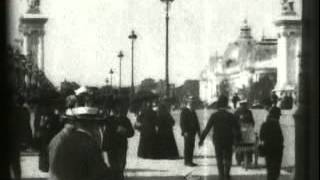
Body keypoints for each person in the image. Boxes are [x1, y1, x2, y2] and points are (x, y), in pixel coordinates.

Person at [48, 106, 111, 180]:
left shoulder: (65, 141)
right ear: (92, 124)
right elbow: (99, 173)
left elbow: (56, 169)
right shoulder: (90, 144)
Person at [199, 95, 241, 180]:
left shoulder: (214, 115)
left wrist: (201, 139)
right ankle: (227, 175)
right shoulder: (231, 116)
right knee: (228, 158)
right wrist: (238, 140)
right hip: (229, 140)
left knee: (219, 159)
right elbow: (237, 129)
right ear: (226, 104)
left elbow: (207, 128)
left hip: (218, 141)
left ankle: (221, 176)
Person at [104, 97, 134, 180]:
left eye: (119, 106)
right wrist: (105, 147)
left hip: (121, 147)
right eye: (115, 107)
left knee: (121, 167)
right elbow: (106, 134)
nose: (117, 109)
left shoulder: (125, 120)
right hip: (111, 147)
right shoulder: (108, 120)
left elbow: (131, 133)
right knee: (113, 167)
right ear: (113, 108)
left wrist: (125, 131)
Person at [260, 99, 284, 180]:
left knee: (270, 170)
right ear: (276, 115)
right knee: (275, 170)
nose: (279, 117)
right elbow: (280, 138)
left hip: (268, 149)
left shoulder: (265, 123)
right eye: (278, 115)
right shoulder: (276, 123)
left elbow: (261, 136)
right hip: (277, 150)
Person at [180, 96, 201, 166]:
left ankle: (190, 161)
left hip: (193, 132)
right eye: (191, 103)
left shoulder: (193, 111)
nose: (193, 104)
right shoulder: (184, 111)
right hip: (187, 132)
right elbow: (182, 122)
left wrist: (199, 132)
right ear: (188, 103)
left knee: (192, 146)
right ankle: (187, 161)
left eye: (193, 103)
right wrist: (184, 131)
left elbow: (196, 122)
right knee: (187, 147)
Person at [234, 100, 255, 166]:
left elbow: (252, 122)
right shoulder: (237, 112)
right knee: (239, 146)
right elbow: (234, 122)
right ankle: (239, 160)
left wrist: (250, 127)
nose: (245, 106)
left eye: (245, 105)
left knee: (249, 145)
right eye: (243, 105)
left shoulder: (249, 112)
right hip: (239, 132)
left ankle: (249, 160)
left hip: (248, 132)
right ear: (240, 105)